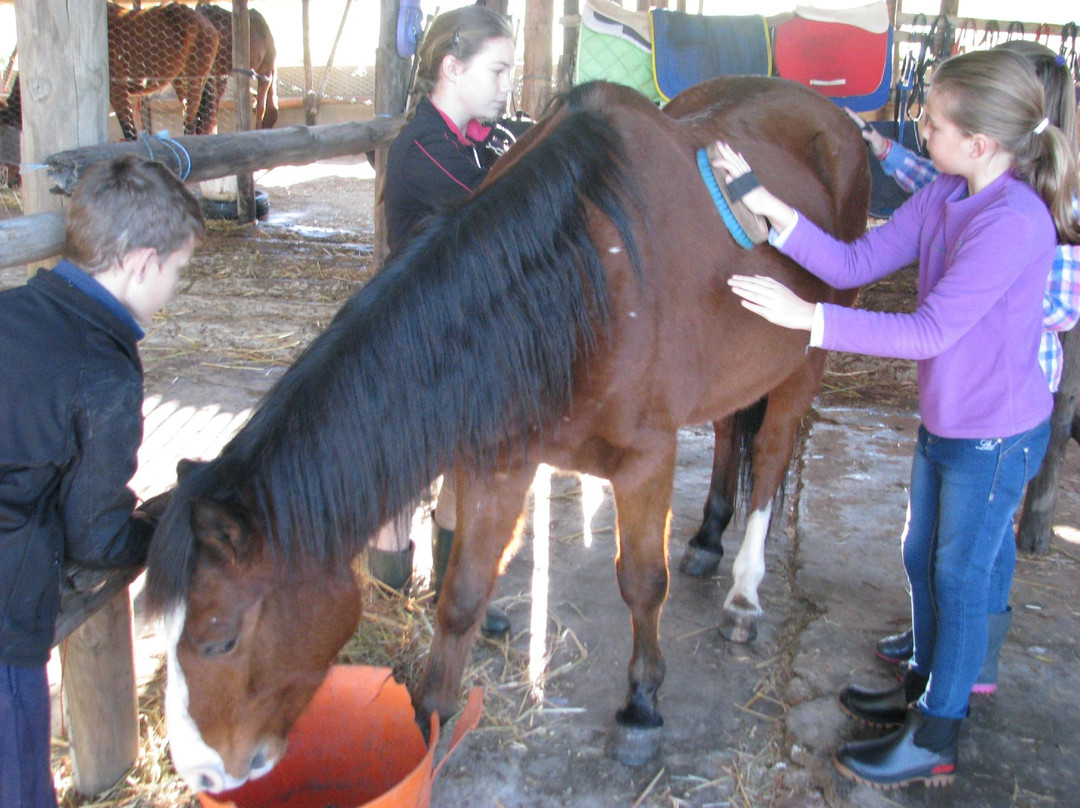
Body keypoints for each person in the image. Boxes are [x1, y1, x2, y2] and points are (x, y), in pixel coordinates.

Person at [712, 48, 1080, 788]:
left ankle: (938, 731)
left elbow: (928, 331)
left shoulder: (1015, 222)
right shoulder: (946, 192)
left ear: (979, 141)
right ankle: (921, 685)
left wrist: (808, 319)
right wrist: (769, 207)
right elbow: (856, 262)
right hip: (949, 417)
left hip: (996, 432)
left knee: (960, 576)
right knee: (921, 557)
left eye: (933, 122)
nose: (920, 130)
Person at [846, 40, 1080, 694]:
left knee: (977, 551)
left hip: (1007, 386)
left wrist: (986, 287)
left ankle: (973, 665)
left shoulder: (1047, 206)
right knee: (950, 546)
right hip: (966, 383)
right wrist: (882, 147)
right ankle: (942, 647)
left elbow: (1060, 306)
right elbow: (938, 185)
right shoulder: (985, 180)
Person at [0, 155, 205, 808]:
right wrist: (165, 525)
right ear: (141, 263)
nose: (174, 288)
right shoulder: (104, 371)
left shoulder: (12, 311)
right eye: (177, 271)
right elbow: (97, 538)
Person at [369, 3, 517, 637]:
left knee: (470, 464)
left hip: (468, 331)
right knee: (402, 480)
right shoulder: (424, 148)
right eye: (497, 70)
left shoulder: (483, 138)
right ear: (452, 69)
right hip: (418, 336)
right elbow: (505, 215)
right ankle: (387, 612)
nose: (506, 85)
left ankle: (450, 599)